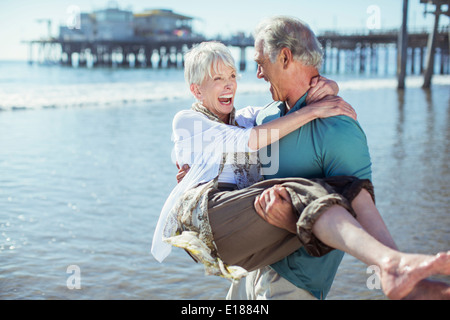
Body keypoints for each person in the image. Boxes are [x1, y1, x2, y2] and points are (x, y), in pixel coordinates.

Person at [151, 41, 450, 300]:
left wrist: (327, 87)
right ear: (196, 89)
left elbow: (285, 107)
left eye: (231, 75)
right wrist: (316, 110)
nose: (229, 84)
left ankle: (398, 269)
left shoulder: (245, 117)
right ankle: (392, 267)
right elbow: (251, 141)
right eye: (217, 78)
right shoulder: (187, 121)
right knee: (300, 190)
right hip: (209, 218)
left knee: (343, 185)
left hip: (239, 226)